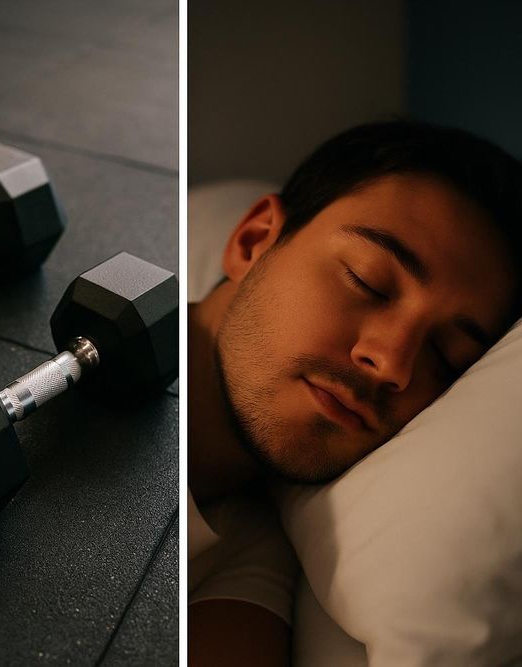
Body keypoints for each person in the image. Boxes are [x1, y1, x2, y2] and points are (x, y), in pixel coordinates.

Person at [187, 121, 522, 665]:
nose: (393, 364)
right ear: (253, 242)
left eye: (447, 358)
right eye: (367, 282)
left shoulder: (245, 560)